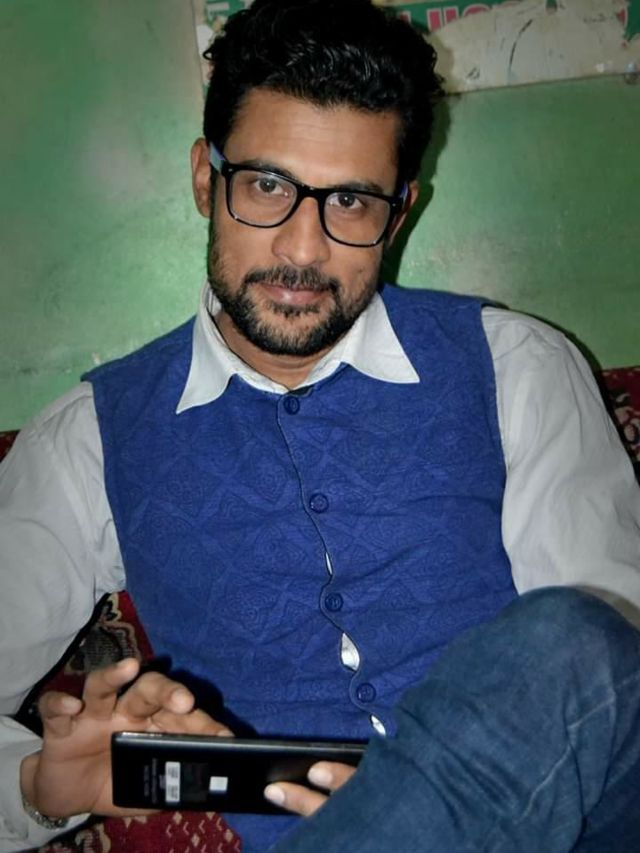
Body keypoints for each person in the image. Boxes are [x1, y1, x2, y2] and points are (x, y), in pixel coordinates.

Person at [1, 0, 639, 850]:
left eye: (350, 201)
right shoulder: (88, 441)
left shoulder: (517, 366)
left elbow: (604, 686)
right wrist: (38, 787)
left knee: (576, 635)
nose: (303, 249)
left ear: (399, 214)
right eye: (267, 186)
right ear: (206, 180)